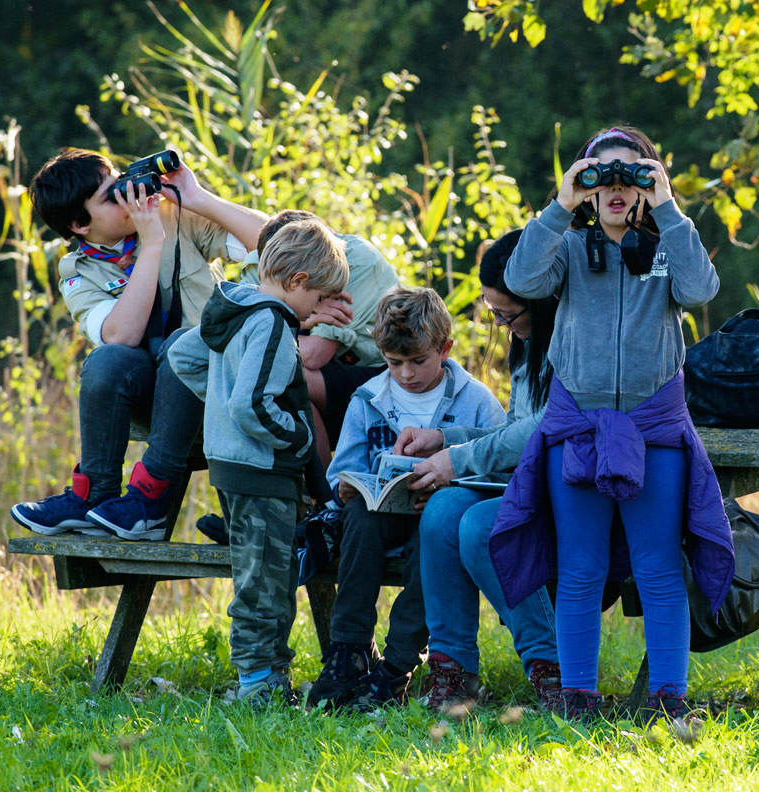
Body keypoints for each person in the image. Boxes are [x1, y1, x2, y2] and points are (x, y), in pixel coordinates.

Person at [489, 125, 734, 722]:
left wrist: (670, 208)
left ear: (650, 185)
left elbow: (702, 288)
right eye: (603, 174)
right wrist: (559, 205)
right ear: (587, 185)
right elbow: (521, 280)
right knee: (580, 568)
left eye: (634, 174)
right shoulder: (569, 249)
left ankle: (668, 701)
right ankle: (578, 701)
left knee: (657, 568)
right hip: (578, 432)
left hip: (655, 432)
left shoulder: (668, 248)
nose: (617, 186)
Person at [10, 148, 267, 540]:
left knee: (183, 345)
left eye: (120, 180)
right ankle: (92, 496)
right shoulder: (78, 272)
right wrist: (150, 246)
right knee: (105, 362)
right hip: (151, 400)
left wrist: (198, 199)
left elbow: (272, 245)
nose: (128, 194)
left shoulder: (174, 218)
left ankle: (150, 499)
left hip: (213, 388)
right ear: (80, 224)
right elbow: (121, 336)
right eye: (110, 195)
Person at [167, 219, 349, 705]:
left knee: (260, 572)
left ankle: (262, 677)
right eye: (318, 300)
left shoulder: (237, 309)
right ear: (298, 283)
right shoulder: (271, 322)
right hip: (262, 470)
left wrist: (221, 407)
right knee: (266, 582)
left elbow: (183, 356)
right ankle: (258, 685)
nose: (318, 313)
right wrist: (297, 439)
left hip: (235, 465)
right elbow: (253, 405)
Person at [308, 286, 506, 711]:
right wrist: (346, 485)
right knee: (358, 516)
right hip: (380, 515)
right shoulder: (369, 398)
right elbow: (343, 467)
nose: (406, 374)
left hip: (439, 518)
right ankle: (350, 648)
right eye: (394, 362)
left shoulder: (475, 401)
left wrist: (449, 484)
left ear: (446, 349)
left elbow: (499, 467)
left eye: (418, 361)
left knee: (432, 545)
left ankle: (396, 665)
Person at [391, 230, 562, 715]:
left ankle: (550, 666)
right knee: (443, 511)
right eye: (495, 315)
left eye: (509, 314)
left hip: (572, 491)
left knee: (482, 525)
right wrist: (445, 440)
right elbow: (514, 427)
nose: (504, 325)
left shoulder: (569, 341)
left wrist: (456, 459)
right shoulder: (527, 344)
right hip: (527, 483)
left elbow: (541, 429)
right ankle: (452, 668)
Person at [239, 210, 401, 466]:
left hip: (379, 372)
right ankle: (319, 494)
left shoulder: (352, 262)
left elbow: (313, 355)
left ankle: (323, 491)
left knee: (292, 377)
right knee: (279, 372)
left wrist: (290, 320)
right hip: (324, 368)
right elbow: (245, 343)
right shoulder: (259, 261)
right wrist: (308, 318)